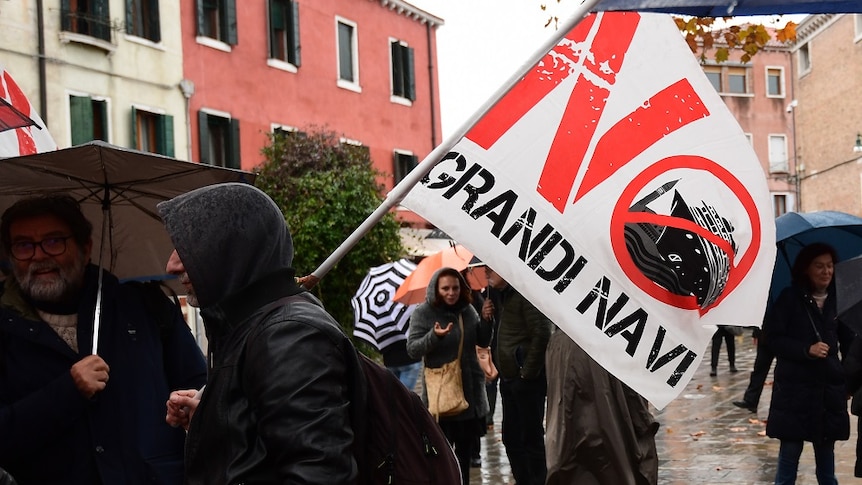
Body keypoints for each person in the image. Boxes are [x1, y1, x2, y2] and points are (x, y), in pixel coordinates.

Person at [158, 183, 359, 484]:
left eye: (190, 246)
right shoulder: (248, 326)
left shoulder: (289, 336)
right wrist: (213, 418)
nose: (172, 264)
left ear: (232, 248)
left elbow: (317, 473)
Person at [0, 194, 207, 485]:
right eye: (23, 245)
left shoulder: (146, 306)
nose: (39, 255)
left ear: (85, 248)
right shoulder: (5, 326)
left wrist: (189, 406)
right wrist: (67, 392)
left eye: (54, 241)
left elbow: (199, 386)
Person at [763, 242, 854, 485]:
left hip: (828, 393)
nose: (826, 272)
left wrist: (848, 383)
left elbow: (849, 345)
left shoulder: (839, 300)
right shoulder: (789, 299)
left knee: (827, 466)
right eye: (819, 266)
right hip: (794, 393)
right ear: (806, 269)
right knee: (788, 461)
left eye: (829, 266)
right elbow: (772, 339)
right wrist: (806, 350)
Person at [406, 267, 491, 485]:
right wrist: (434, 336)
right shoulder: (423, 313)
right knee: (441, 456)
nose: (451, 293)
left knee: (464, 455)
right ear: (436, 289)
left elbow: (481, 340)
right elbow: (413, 349)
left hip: (468, 395)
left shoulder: (467, 310)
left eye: (455, 288)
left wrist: (487, 320)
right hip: (441, 397)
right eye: (445, 288)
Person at [545, 329, 659, 485]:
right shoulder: (616, 339)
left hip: (570, 442)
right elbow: (635, 406)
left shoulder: (558, 341)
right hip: (610, 439)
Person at [485, 265, 553, 485]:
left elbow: (542, 334)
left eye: (490, 269)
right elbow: (484, 337)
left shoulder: (525, 294)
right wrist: (486, 317)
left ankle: (538, 480)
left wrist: (527, 373)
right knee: (511, 438)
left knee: (530, 437)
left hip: (525, 380)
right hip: (508, 378)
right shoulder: (498, 296)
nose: (487, 274)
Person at [733, 326, 775, 413]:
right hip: (764, 335)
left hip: (783, 336)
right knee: (759, 369)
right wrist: (756, 334)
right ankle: (751, 400)